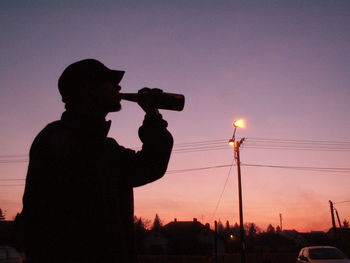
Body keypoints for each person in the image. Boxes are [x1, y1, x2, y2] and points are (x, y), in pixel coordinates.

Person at [16, 59, 173, 263]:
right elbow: (41, 225)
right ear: (89, 88)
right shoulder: (58, 139)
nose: (119, 87)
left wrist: (152, 114)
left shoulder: (104, 147)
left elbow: (150, 165)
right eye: (110, 82)